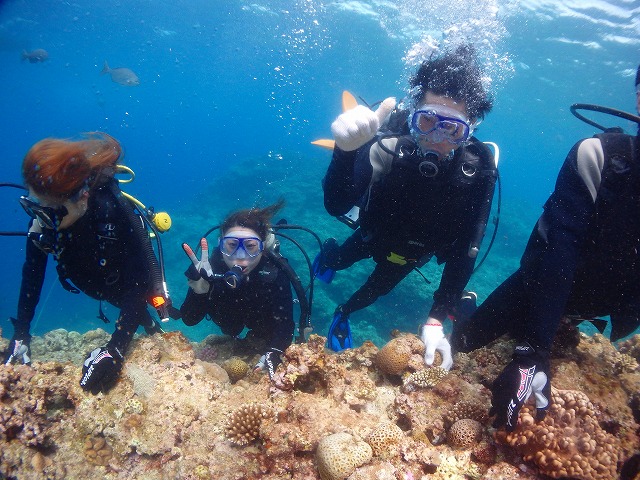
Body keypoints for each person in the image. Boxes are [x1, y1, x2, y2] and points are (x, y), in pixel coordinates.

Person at [451, 65, 640, 432]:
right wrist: (534, 351)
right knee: (463, 343)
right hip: (540, 285)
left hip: (610, 303)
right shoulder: (598, 157)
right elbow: (561, 250)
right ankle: (467, 308)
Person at [317, 44, 496, 361]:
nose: (437, 139)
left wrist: (436, 318)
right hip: (370, 234)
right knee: (338, 260)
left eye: (452, 129)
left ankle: (342, 313)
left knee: (374, 290)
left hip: (410, 256)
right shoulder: (390, 147)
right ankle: (329, 255)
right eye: (427, 122)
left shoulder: (478, 169)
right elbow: (336, 205)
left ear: (470, 128)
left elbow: (466, 251)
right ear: (413, 114)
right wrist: (345, 152)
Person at [3, 132, 171, 394]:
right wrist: (21, 333)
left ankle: (150, 324)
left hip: (123, 283)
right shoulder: (44, 218)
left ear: (82, 197)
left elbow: (137, 285)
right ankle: (145, 322)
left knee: (139, 304)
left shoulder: (115, 214)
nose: (42, 220)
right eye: (33, 206)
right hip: (89, 280)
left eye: (51, 211)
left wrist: (116, 348)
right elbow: (32, 273)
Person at [180, 200, 295, 379]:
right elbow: (189, 319)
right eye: (232, 245)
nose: (240, 257)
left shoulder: (275, 271)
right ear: (221, 245)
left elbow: (286, 324)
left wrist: (274, 351)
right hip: (229, 322)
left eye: (250, 246)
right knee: (230, 329)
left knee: (265, 332)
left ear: (262, 247)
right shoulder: (210, 268)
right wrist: (198, 293)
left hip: (261, 329)